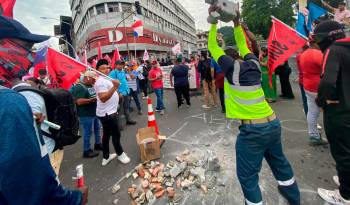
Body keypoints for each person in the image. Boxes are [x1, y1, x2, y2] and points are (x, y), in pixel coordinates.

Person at [207, 8, 300, 205]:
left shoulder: (231, 70)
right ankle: (294, 200)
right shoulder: (254, 64)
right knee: (281, 165)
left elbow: (212, 46)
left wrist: (214, 21)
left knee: (248, 178)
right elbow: (244, 45)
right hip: (273, 123)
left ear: (227, 61)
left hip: (252, 131)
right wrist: (237, 22)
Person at [0, 15, 88, 205]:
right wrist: (75, 199)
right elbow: (29, 183)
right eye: (25, 47)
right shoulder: (9, 101)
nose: (31, 57)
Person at [313, 20, 350, 205]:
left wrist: (321, 101)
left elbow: (327, 82)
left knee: (342, 153)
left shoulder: (333, 50)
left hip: (340, 111)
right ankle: (346, 180)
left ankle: (345, 195)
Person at [94, 59, 131, 166]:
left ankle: (106, 156)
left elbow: (112, 91)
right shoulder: (100, 81)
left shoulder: (107, 78)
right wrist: (115, 87)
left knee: (106, 134)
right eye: (103, 68)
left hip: (109, 112)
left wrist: (117, 92)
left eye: (107, 67)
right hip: (108, 114)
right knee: (116, 134)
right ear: (97, 70)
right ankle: (120, 154)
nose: (106, 70)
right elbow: (103, 98)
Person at [299, 41, 328, 146]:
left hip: (308, 85)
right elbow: (328, 68)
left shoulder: (304, 54)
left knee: (312, 112)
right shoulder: (317, 54)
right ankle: (334, 137)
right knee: (330, 111)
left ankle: (313, 136)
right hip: (319, 86)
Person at [72, 71, 102, 158]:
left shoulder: (91, 86)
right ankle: (86, 150)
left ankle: (98, 144)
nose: (94, 81)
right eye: (93, 79)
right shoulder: (79, 87)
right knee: (88, 132)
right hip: (86, 114)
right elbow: (78, 101)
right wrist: (91, 100)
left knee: (97, 129)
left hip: (94, 112)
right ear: (88, 77)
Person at [109, 60, 136, 125]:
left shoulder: (123, 71)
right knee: (119, 110)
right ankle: (119, 125)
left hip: (126, 91)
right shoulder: (113, 73)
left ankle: (128, 120)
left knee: (126, 107)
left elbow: (132, 77)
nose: (121, 66)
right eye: (120, 64)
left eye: (122, 64)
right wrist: (118, 93)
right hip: (120, 94)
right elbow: (111, 84)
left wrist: (129, 71)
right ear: (116, 65)